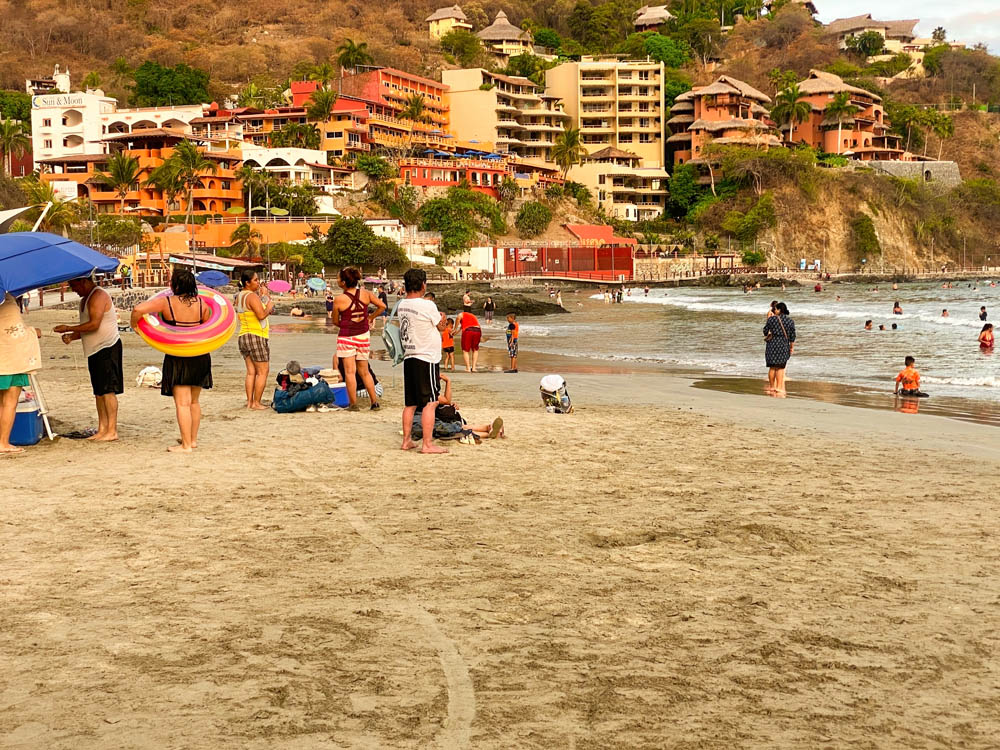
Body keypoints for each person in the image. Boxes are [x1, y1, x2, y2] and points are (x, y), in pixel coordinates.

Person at [131, 269, 213, 452]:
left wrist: (134, 325)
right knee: (194, 401)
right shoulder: (202, 304)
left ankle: (185, 446)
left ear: (174, 285)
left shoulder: (166, 302)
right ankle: (192, 440)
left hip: (179, 355)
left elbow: (137, 309)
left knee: (182, 402)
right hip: (200, 355)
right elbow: (207, 328)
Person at [54, 277, 123, 441]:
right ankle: (102, 429)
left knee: (108, 390)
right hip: (94, 350)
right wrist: (72, 336)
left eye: (74, 286)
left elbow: (94, 325)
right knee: (99, 392)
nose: (74, 290)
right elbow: (86, 326)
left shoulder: (98, 295)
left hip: (107, 347)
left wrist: (68, 327)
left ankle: (112, 430)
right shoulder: (85, 299)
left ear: (84, 282)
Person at [398, 268, 448, 454]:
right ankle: (427, 444)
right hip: (426, 357)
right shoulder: (427, 305)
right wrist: (442, 317)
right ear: (423, 285)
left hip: (409, 355)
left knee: (410, 403)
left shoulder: (402, 304)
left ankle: (406, 440)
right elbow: (441, 326)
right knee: (431, 402)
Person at [332, 267, 386, 410]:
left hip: (347, 336)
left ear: (343, 282)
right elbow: (382, 306)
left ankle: (353, 404)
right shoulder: (366, 294)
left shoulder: (339, 300)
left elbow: (335, 321)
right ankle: (374, 402)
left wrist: (344, 324)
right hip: (363, 335)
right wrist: (370, 317)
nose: (337, 281)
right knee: (364, 371)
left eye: (338, 279)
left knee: (350, 372)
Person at [0, 293, 42, 454]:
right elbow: (15, 333)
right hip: (12, 358)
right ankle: (3, 442)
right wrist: (34, 332)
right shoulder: (8, 301)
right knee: (10, 401)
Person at [235, 271, 274, 411]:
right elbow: (261, 315)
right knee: (263, 371)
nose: (258, 283)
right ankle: (256, 403)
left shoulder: (239, 296)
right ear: (247, 282)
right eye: (256, 280)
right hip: (256, 335)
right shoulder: (251, 296)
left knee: (251, 372)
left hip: (244, 335)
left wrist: (264, 297)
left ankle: (250, 402)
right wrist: (268, 305)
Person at [763, 301, 795, 395]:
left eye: (776, 309)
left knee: (772, 367)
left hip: (772, 345)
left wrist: (771, 333)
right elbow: (792, 336)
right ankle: (779, 388)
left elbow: (765, 331)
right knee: (780, 368)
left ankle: (772, 387)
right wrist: (791, 347)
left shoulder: (771, 319)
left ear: (779, 310)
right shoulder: (790, 321)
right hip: (783, 345)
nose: (775, 310)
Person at [455, 305, 482, 373]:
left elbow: (458, 318)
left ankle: (468, 367)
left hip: (468, 331)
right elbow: (463, 326)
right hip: (477, 330)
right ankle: (474, 368)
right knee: (475, 349)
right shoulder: (473, 316)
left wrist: (454, 328)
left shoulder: (462, 314)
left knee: (465, 350)